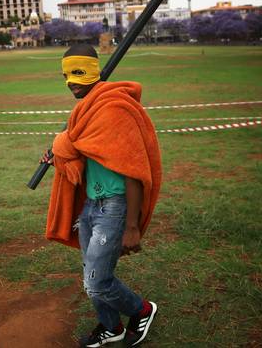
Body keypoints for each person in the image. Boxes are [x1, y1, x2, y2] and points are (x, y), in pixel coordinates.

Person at [40, 44, 162, 347]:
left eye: (77, 74)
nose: (70, 82)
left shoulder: (114, 108)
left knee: (96, 282)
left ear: (93, 71)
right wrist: (60, 153)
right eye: (66, 75)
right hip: (91, 206)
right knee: (91, 276)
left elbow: (134, 170)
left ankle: (142, 310)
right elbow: (83, 149)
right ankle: (112, 328)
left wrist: (132, 226)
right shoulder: (85, 110)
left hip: (115, 206)